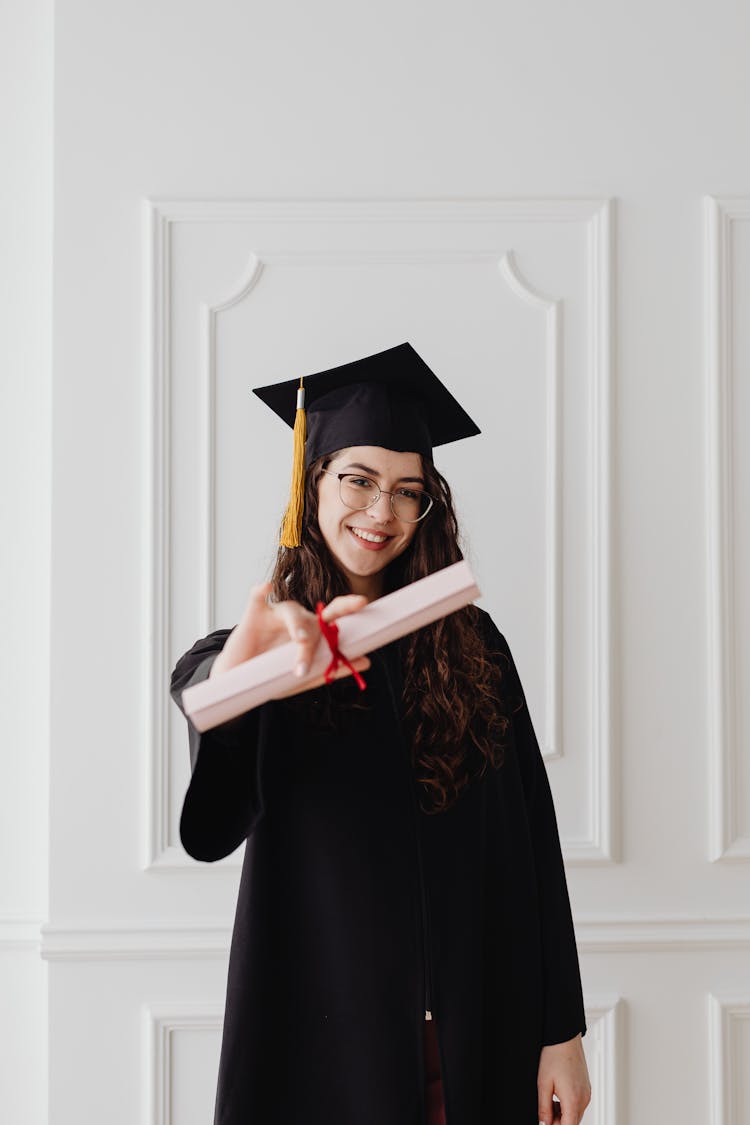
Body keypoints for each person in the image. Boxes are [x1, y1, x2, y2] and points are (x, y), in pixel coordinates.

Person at [170, 342, 591, 1125]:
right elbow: (212, 813)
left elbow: (534, 838)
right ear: (312, 483)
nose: (381, 511)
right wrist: (244, 674)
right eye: (357, 480)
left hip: (479, 1030)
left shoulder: (476, 647)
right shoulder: (267, 654)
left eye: (408, 490)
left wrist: (561, 1029)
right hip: (326, 1047)